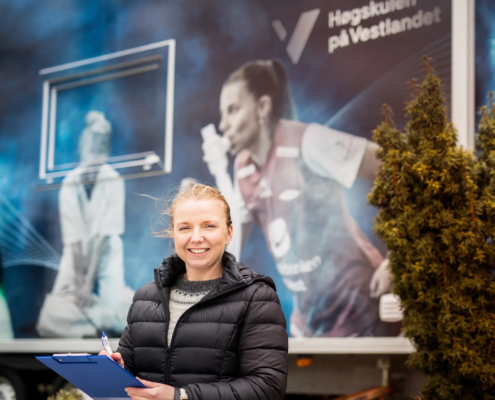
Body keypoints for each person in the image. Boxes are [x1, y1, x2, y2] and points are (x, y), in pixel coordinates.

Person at [201, 59, 393, 337]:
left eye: (232, 110)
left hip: (359, 308)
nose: (223, 124)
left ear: (262, 108)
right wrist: (218, 174)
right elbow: (232, 248)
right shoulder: (242, 166)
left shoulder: (309, 142)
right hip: (309, 322)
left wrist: (396, 259)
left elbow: (396, 166)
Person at [101, 184, 288, 400]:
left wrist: (181, 395)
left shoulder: (257, 297)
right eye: (185, 228)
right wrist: (116, 370)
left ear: (229, 233)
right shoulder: (145, 297)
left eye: (209, 226)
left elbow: (268, 387)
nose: (196, 237)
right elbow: (132, 379)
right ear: (174, 234)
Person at [37, 111, 133, 338]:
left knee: (124, 311)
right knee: (49, 319)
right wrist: (80, 283)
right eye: (91, 150)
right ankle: (100, 322)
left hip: (107, 253)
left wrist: (88, 285)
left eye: (100, 151)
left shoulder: (114, 180)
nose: (94, 156)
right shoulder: (68, 184)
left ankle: (105, 317)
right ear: (81, 149)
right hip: (76, 256)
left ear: (107, 153)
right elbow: (74, 240)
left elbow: (103, 237)